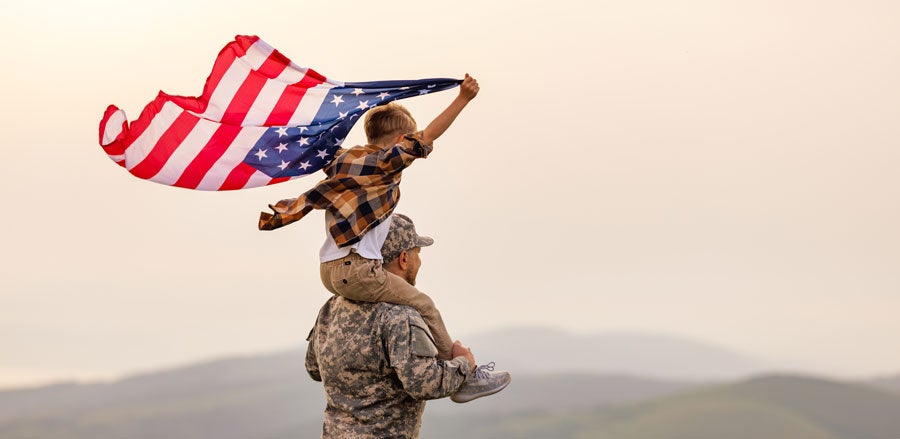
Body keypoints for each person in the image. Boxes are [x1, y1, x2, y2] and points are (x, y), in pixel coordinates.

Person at [260, 75, 483, 362]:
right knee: (424, 305)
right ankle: (461, 369)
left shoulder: (344, 159)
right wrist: (463, 98)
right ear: (402, 140)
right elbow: (428, 137)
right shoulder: (385, 163)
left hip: (328, 269)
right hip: (358, 268)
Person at [305, 214, 511, 438]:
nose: (420, 262)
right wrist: (463, 364)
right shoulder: (400, 316)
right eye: (417, 254)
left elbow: (314, 368)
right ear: (404, 259)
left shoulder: (332, 307)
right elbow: (423, 383)